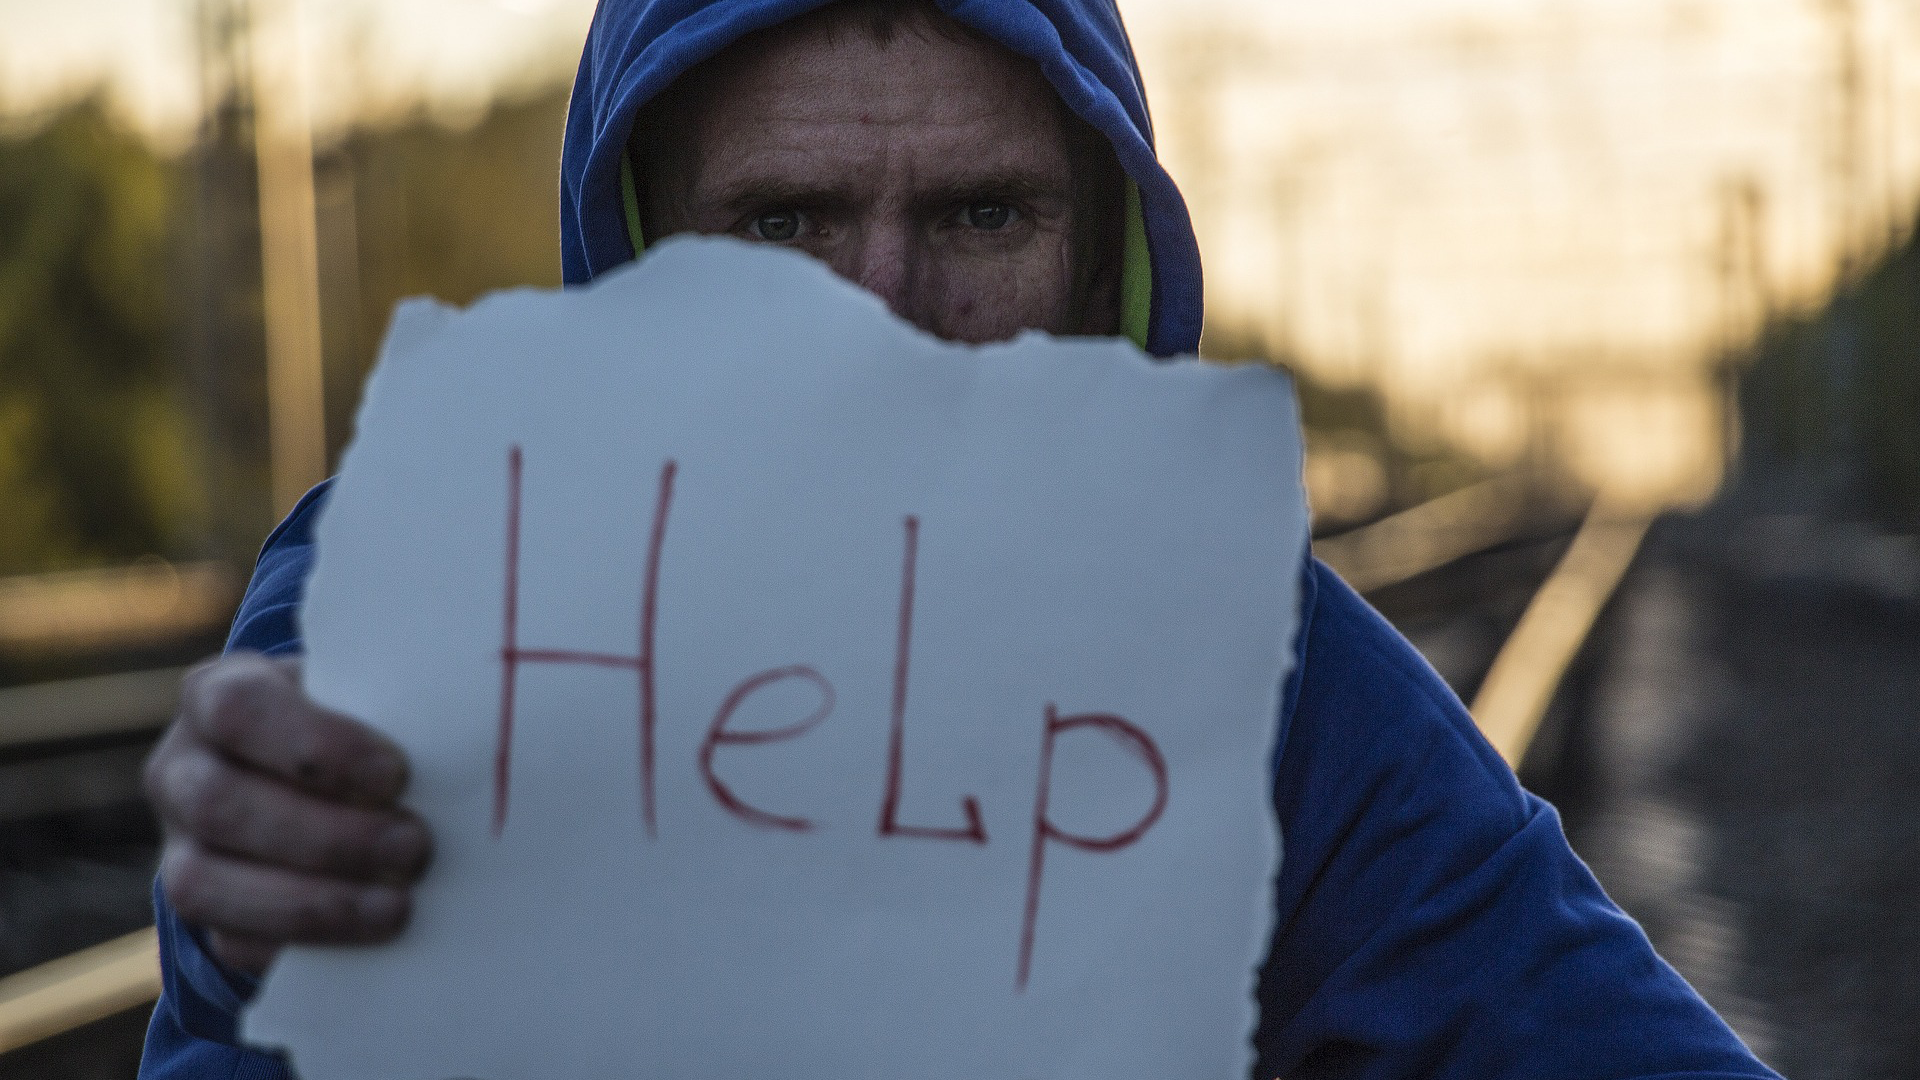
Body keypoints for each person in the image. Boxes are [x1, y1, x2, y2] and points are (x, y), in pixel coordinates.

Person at [137, 1, 1782, 1078]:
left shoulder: (1256, 673)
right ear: (642, 259)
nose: (883, 319)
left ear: (1096, 264)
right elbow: (259, 952)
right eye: (783, 223)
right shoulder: (435, 586)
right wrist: (241, 924)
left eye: (980, 214)